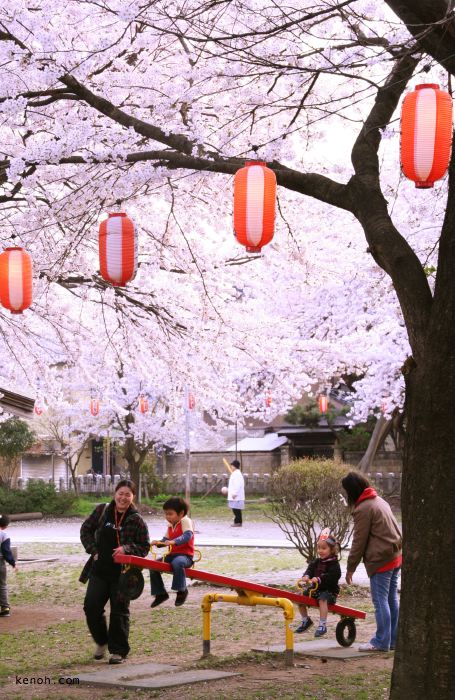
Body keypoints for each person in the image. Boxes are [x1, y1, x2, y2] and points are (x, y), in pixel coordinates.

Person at [80, 479, 150, 665]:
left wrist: (126, 548)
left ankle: (118, 651)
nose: (123, 497)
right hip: (99, 570)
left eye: (128, 494)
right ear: (115, 494)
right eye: (121, 493)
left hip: (124, 574)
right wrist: (93, 550)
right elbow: (85, 530)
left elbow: (144, 547)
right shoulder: (102, 511)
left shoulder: (136, 519)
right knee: (91, 606)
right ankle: (102, 641)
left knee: (119, 611)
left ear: (132, 497)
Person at [341, 470, 402, 652]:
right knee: (391, 598)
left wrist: (350, 567)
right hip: (395, 555)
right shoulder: (379, 500)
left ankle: (381, 642)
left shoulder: (364, 508)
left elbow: (359, 541)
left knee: (380, 600)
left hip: (381, 559)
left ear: (352, 490)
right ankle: (392, 640)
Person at [295, 530, 341, 637]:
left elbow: (332, 577)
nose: (320, 550)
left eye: (324, 548)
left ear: (332, 549)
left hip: (329, 592)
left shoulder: (334, 564)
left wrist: (319, 579)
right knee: (299, 597)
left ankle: (322, 625)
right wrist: (306, 576)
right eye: (319, 548)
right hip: (315, 590)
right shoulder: (316, 561)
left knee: (322, 599)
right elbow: (310, 570)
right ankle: (306, 620)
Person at [149, 496, 194, 608]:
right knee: (153, 566)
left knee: (177, 563)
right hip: (172, 555)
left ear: (181, 513)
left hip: (185, 556)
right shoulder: (170, 525)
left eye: (170, 514)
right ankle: (160, 594)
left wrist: (174, 541)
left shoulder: (186, 521)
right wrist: (158, 543)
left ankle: (181, 591)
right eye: (166, 514)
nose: (167, 517)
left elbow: (188, 536)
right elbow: (165, 541)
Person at [0, 514, 18, 617]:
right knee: (2, 585)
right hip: (0, 563)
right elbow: (6, 552)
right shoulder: (4, 535)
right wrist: (13, 563)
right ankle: (5, 608)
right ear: (6, 525)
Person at [226, 459, 245, 527]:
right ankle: (237, 522)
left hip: (236, 495)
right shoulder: (235, 473)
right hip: (234, 494)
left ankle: (238, 522)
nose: (231, 467)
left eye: (232, 465)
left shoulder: (237, 474)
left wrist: (235, 493)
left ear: (235, 466)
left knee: (236, 509)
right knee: (235, 509)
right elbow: (233, 485)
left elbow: (238, 485)